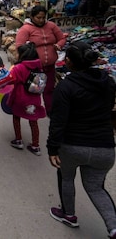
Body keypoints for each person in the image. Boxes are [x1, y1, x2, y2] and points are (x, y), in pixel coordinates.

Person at [47, 41, 116, 237]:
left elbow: (58, 122)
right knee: (96, 188)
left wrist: (52, 149)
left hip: (72, 147)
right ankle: (113, 228)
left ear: (68, 62)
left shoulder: (66, 87)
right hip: (104, 148)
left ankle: (68, 214)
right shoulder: (108, 82)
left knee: (66, 177)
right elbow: (109, 108)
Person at [15, 5, 66, 114]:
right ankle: (34, 112)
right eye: (38, 17)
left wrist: (59, 45)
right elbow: (19, 46)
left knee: (49, 90)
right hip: (36, 68)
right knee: (35, 91)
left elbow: (62, 38)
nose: (41, 20)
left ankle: (50, 111)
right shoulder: (26, 29)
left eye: (43, 17)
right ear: (32, 17)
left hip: (50, 66)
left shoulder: (51, 26)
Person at [7, 42, 47, 155]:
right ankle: (36, 145)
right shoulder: (40, 67)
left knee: (16, 117)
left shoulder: (18, 68)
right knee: (33, 121)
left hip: (20, 98)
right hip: (34, 100)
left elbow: (10, 80)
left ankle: (18, 140)